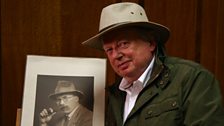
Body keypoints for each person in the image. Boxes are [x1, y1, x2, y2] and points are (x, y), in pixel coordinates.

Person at [82, 2, 224, 126]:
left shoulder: (192, 79)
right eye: (109, 50)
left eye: (124, 44)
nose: (116, 55)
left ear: (151, 43)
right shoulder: (114, 96)